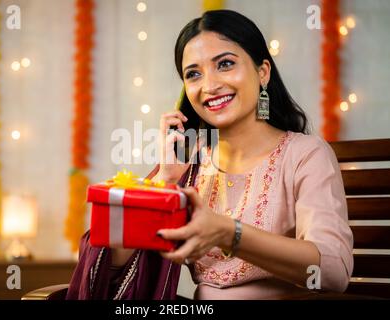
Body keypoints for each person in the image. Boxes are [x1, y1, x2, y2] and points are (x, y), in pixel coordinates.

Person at [66, 9, 353, 300]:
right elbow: (113, 271)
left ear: (262, 72)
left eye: (225, 64)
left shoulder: (305, 155)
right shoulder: (189, 165)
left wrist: (230, 233)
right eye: (193, 74)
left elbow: (332, 270)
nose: (209, 86)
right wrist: (165, 182)